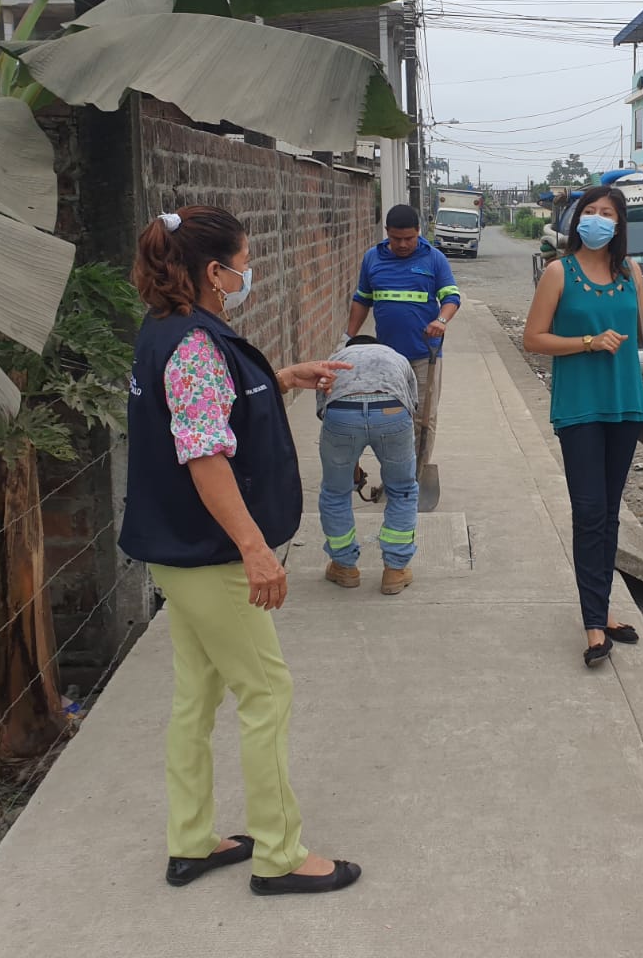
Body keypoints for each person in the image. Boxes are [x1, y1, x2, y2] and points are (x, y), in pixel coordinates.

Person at [118, 205, 361, 897]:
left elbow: (204, 408)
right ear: (214, 271)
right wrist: (254, 548)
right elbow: (204, 455)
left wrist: (282, 377)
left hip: (176, 548)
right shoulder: (193, 344)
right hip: (209, 554)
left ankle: (191, 840)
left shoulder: (168, 330)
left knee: (197, 694)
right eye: (244, 262)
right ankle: (279, 855)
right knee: (266, 692)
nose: (248, 272)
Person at [522, 185, 643, 667]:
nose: (597, 219)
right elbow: (533, 338)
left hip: (625, 407)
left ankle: (603, 609)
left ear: (619, 224)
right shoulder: (559, 272)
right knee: (589, 512)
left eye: (607, 213)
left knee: (610, 514)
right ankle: (594, 625)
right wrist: (588, 342)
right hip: (579, 409)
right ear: (578, 221)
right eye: (590, 212)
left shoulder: (629, 271)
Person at [344, 205, 460, 472]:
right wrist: (347, 337)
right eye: (397, 238)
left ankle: (415, 475)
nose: (403, 244)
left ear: (419, 231)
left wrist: (441, 321)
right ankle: (394, 473)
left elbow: (451, 297)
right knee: (389, 416)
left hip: (425, 354)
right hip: (385, 357)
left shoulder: (434, 259)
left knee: (423, 418)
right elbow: (362, 299)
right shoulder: (372, 258)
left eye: (409, 238)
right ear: (387, 232)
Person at [315, 335, 421, 595]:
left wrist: (350, 464)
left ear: (350, 348)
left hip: (341, 413)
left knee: (335, 492)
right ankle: (395, 570)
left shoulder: (336, 358)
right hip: (391, 410)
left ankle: (344, 566)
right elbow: (412, 404)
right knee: (402, 490)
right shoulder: (396, 357)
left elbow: (323, 409)